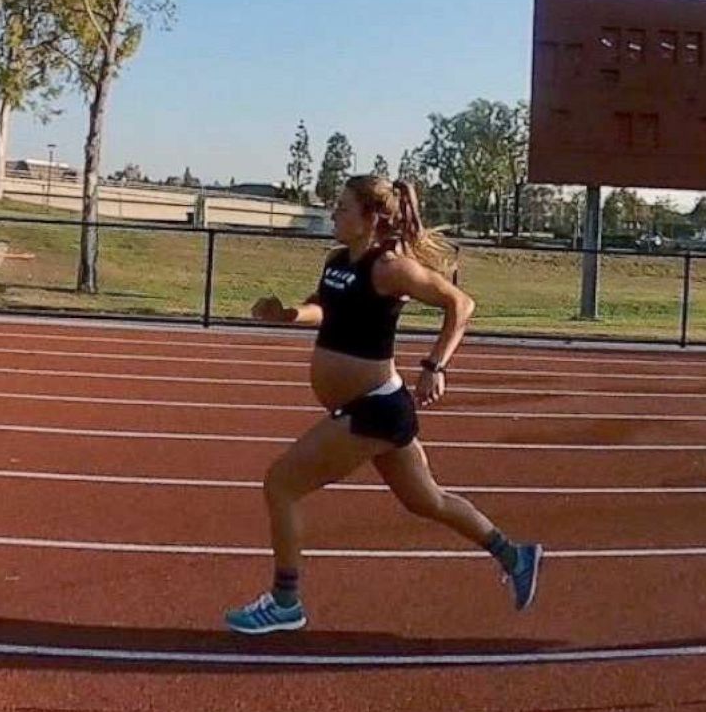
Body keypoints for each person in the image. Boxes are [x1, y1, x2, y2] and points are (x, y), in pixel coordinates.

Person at [225, 176, 541, 634]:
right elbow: (326, 309)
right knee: (427, 500)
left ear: (371, 218)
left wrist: (435, 365)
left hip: (373, 409)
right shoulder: (337, 261)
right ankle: (514, 555)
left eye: (342, 207)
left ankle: (286, 601)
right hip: (373, 410)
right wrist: (288, 314)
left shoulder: (389, 268)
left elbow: (461, 304)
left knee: (281, 485)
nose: (333, 213)